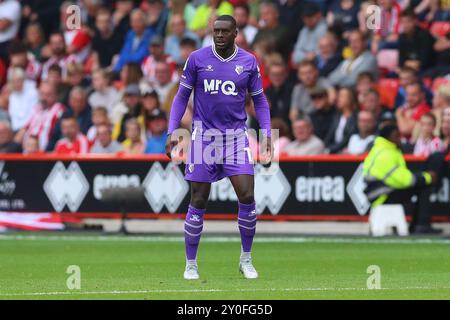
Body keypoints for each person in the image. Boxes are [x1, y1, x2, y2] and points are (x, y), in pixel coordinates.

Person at [165, 15, 272, 280]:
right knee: (198, 200)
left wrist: (267, 133)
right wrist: (172, 130)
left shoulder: (248, 62)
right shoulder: (197, 59)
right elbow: (181, 97)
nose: (220, 35)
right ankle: (191, 264)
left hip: (236, 138)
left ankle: (245, 259)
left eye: (225, 31)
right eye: (216, 31)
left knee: (247, 196)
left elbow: (259, 101)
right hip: (204, 138)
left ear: (236, 33)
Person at [363, 124, 442, 234]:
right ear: (388, 137)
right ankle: (422, 224)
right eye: (396, 136)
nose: (399, 139)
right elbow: (402, 179)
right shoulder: (386, 153)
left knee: (419, 185)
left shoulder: (379, 149)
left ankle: (416, 225)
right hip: (381, 195)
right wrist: (427, 177)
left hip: (376, 193)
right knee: (423, 186)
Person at [15, 81, 66, 151]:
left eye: (48, 95)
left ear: (55, 95)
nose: (44, 98)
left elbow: (58, 135)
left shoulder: (59, 110)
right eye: (42, 94)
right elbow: (23, 130)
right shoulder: (36, 108)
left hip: (45, 154)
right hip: (26, 152)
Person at [324, 87, 358, 154]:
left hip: (347, 152)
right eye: (338, 96)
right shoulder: (336, 116)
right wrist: (326, 147)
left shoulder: (356, 117)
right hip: (333, 151)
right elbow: (329, 135)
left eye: (341, 96)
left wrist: (331, 149)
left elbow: (348, 138)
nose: (338, 99)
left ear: (350, 99)